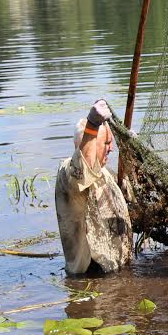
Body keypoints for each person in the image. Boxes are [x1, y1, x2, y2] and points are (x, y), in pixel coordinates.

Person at [55, 99, 133, 276]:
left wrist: (132, 153)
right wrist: (92, 125)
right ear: (87, 142)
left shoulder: (106, 173)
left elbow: (130, 202)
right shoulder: (67, 172)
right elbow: (81, 171)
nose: (111, 149)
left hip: (117, 271)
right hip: (90, 275)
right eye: (106, 143)